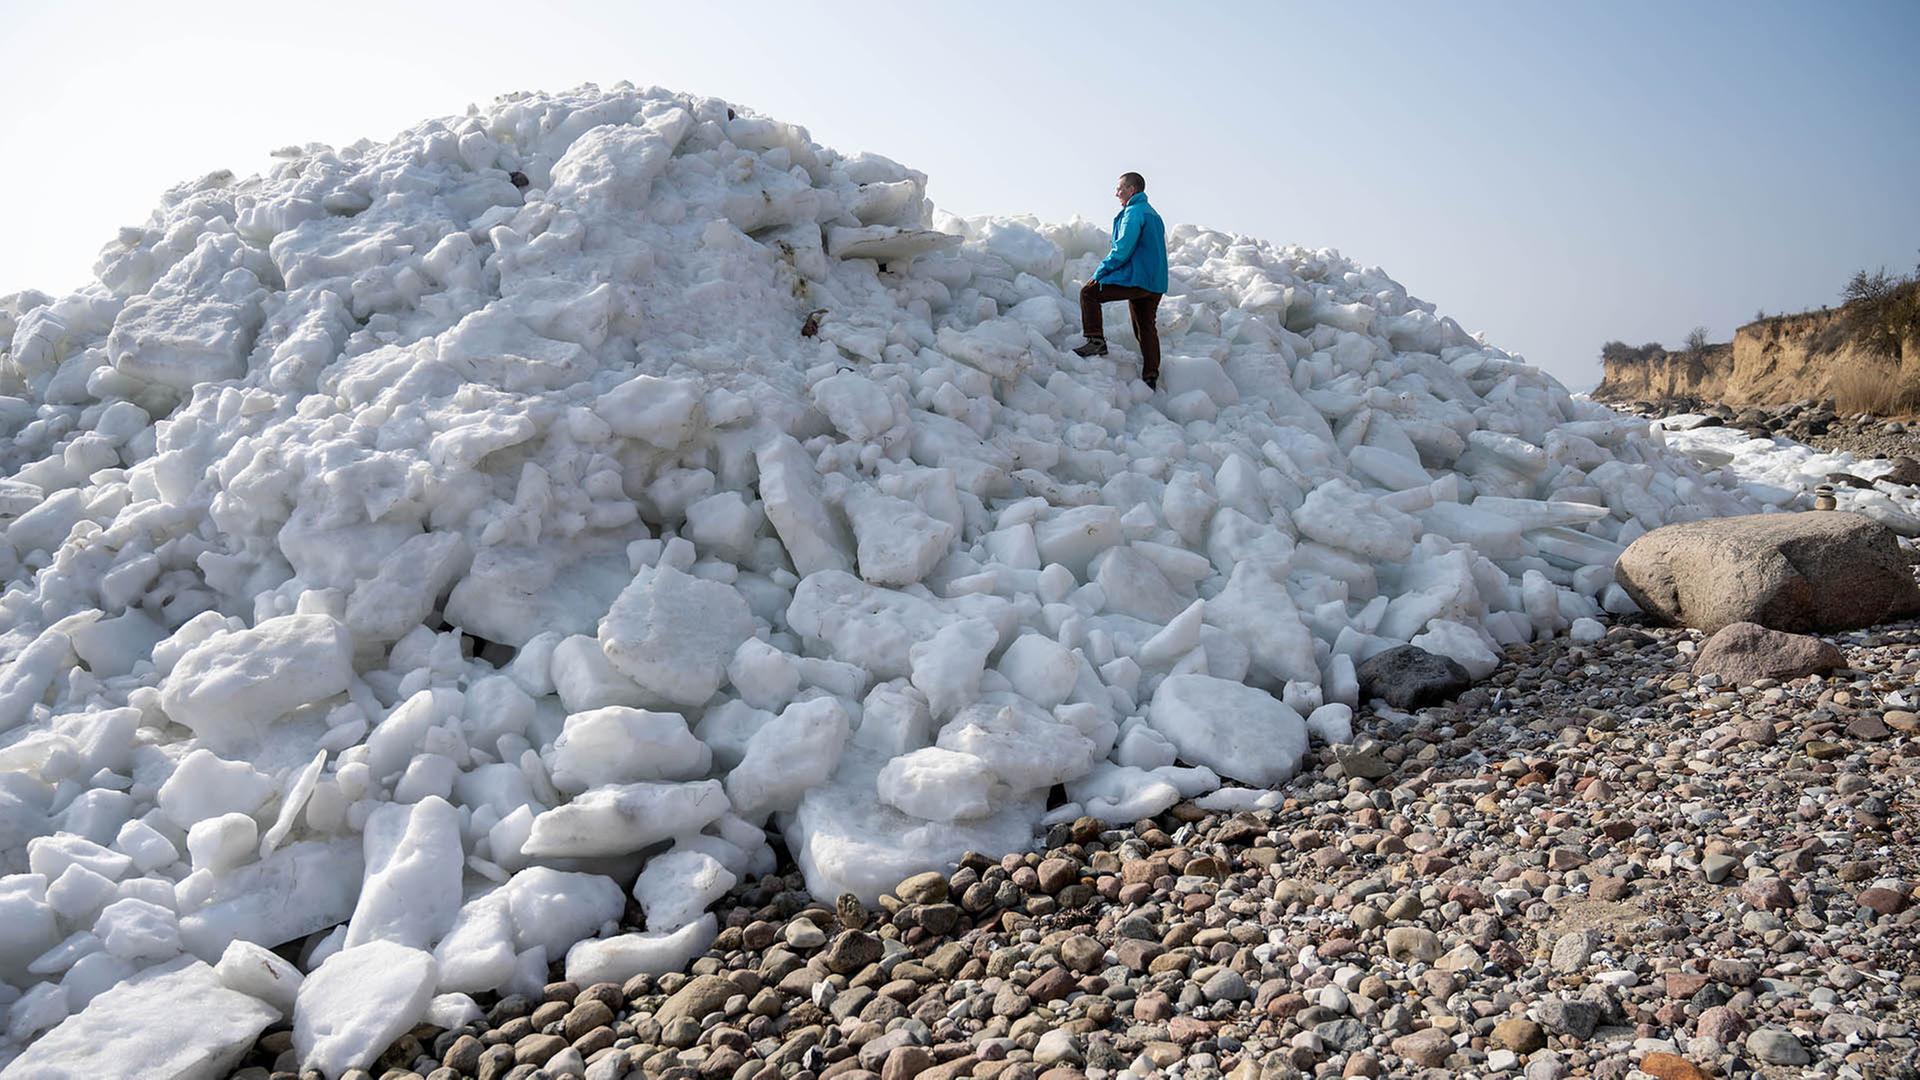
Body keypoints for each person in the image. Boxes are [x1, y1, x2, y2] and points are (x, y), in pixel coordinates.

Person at [1074, 172, 1168, 388]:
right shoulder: (1153, 214)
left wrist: (1099, 274)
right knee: (1146, 326)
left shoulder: (1134, 212)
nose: (1116, 193)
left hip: (1138, 278)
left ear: (1131, 190)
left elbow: (1123, 248)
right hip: (1155, 283)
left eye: (1120, 188)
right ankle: (1151, 375)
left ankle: (1095, 341)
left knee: (1088, 293)